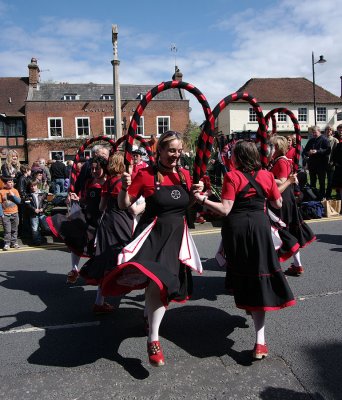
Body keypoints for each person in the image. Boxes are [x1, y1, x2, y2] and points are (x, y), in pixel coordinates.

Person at [101, 131, 203, 367]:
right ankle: (153, 340)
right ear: (160, 151)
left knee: (159, 285)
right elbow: (123, 205)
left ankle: (149, 318)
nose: (176, 155)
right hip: (152, 236)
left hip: (177, 238)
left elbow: (186, 205)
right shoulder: (145, 175)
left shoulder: (185, 175)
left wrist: (197, 197)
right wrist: (126, 188)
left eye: (179, 150)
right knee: (157, 283)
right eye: (171, 151)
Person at [192, 140, 295, 360]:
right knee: (260, 274)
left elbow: (225, 209)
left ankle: (250, 303)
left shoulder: (232, 176)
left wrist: (202, 199)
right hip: (259, 227)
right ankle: (260, 342)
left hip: (236, 229)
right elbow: (277, 203)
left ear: (237, 158)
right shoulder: (266, 176)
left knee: (244, 273)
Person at [79, 152, 145, 313]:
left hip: (107, 222)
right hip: (122, 222)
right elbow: (134, 210)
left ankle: (99, 302)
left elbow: (101, 207)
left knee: (106, 261)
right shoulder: (122, 182)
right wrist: (147, 204)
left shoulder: (108, 181)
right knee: (128, 257)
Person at [269, 136, 315, 276]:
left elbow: (283, 181)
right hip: (284, 198)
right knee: (287, 232)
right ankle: (297, 265)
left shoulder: (281, 162)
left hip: (282, 199)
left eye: (271, 146)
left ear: (277, 148)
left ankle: (278, 266)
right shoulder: (278, 160)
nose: (269, 149)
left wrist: (265, 177)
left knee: (281, 232)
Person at [302, 126, 330, 200]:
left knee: (322, 182)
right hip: (312, 165)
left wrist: (317, 151)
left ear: (319, 131)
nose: (313, 134)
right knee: (312, 182)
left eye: (315, 132)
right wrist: (309, 152)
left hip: (321, 165)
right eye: (312, 133)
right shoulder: (311, 140)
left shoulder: (324, 139)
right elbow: (305, 151)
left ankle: (322, 196)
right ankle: (313, 196)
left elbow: (327, 150)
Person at [0, 176, 21, 250]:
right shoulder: (1, 191)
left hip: (15, 213)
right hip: (6, 214)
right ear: (5, 183)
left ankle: (14, 243)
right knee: (7, 230)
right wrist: (1, 214)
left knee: (14, 229)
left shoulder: (15, 191)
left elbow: (19, 201)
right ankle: (7, 244)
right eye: (9, 182)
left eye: (12, 182)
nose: (11, 183)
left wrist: (13, 196)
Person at [25, 180, 48, 245]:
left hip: (41, 213)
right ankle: (37, 241)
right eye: (31, 186)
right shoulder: (28, 195)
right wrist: (34, 209)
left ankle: (43, 238)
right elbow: (27, 204)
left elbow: (46, 203)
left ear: (37, 185)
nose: (33, 187)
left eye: (34, 186)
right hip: (33, 214)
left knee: (46, 227)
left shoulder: (43, 194)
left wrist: (42, 208)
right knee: (35, 228)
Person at [324, 126, 339, 199]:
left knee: (330, 181)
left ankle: (328, 195)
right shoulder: (323, 139)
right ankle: (322, 194)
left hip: (331, 163)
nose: (328, 131)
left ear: (332, 131)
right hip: (322, 163)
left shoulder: (335, 140)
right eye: (327, 130)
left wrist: (334, 161)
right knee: (322, 180)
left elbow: (337, 152)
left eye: (330, 130)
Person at [331, 124, 342, 201]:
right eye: (339, 130)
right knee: (339, 185)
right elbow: (334, 153)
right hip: (339, 166)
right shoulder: (335, 140)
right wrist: (335, 162)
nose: (340, 131)